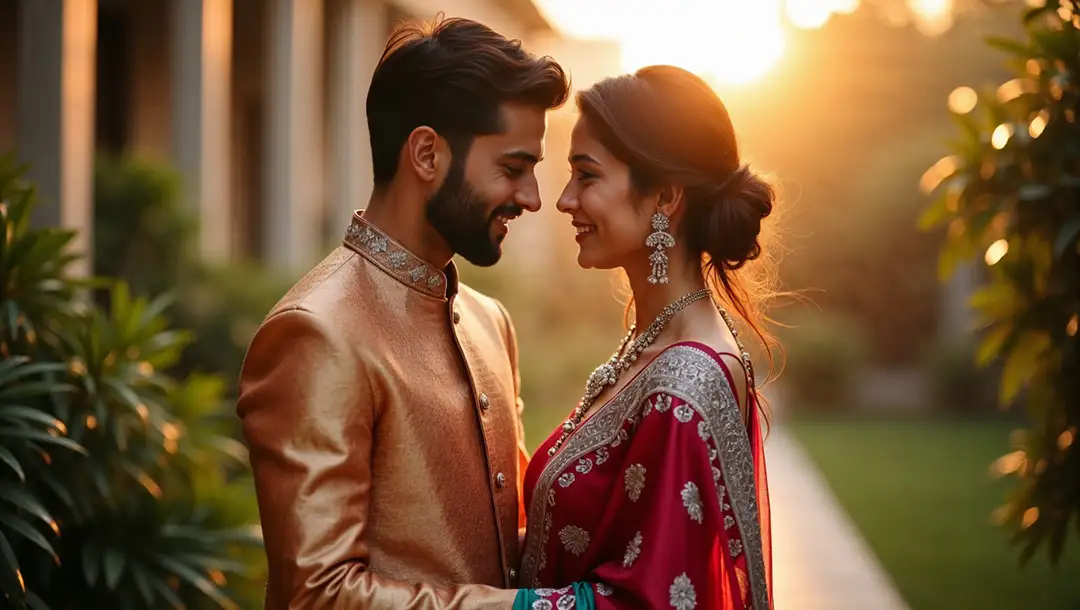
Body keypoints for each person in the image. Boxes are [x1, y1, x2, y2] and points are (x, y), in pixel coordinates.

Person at [236, 17, 569, 609]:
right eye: (513, 168)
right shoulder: (316, 332)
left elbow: (502, 547)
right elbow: (317, 593)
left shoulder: (491, 323)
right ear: (426, 154)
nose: (531, 198)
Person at [513, 65, 775, 610]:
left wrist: (455, 603)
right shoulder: (650, 344)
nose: (564, 200)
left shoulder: (687, 380)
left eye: (587, 176)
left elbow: (650, 601)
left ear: (664, 199)